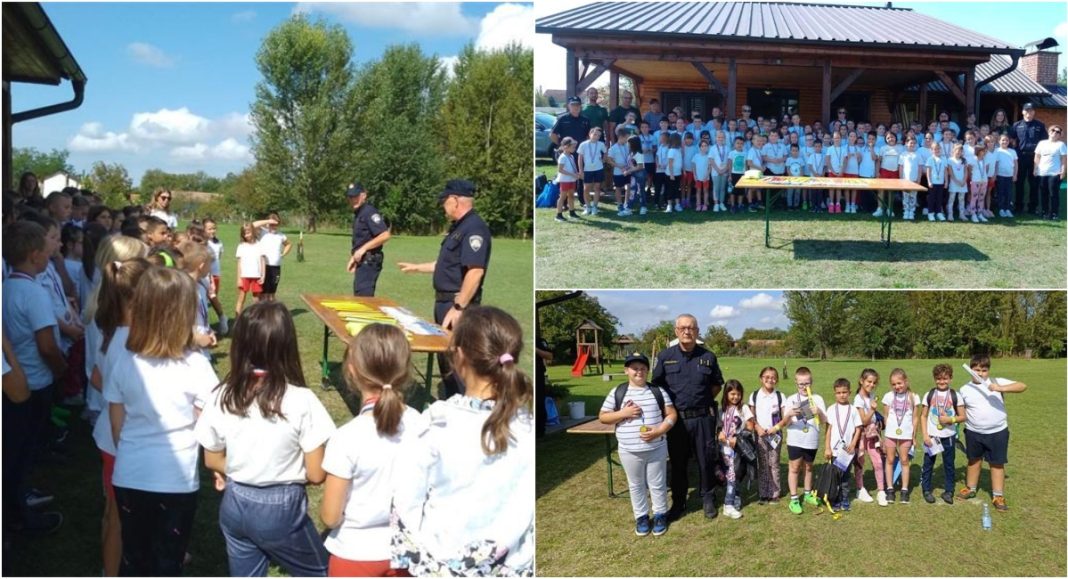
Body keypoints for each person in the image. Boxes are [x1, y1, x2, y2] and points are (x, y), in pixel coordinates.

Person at [391, 306, 533, 576]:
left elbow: (405, 508)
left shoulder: (435, 423)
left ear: (459, 355)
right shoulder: (527, 425)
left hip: (440, 566)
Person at [196, 303, 334, 577]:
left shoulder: (221, 395)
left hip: (234, 503)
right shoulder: (301, 400)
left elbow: (211, 458)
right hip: (281, 508)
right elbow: (317, 473)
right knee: (323, 572)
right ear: (287, 345)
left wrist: (245, 467)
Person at [105, 267, 219, 575]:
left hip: (129, 473)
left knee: (134, 559)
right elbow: (213, 422)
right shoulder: (196, 365)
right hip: (176, 477)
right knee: (167, 562)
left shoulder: (125, 361)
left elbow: (117, 426)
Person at [321, 323, 425, 576]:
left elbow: (330, 516)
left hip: (355, 556)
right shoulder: (424, 426)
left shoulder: (346, 437)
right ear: (405, 371)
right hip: (409, 554)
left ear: (352, 370)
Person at [397, 179, 490, 399]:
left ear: (455, 200)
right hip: (446, 304)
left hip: (457, 306)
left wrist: (458, 306)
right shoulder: (459, 228)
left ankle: (468, 413)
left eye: (444, 201)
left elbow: (475, 271)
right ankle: (453, 405)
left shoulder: (474, 228)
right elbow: (448, 265)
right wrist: (417, 267)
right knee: (447, 362)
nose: (442, 206)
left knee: (459, 365)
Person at [2, 221, 65, 535]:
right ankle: (18, 516)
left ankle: (14, 507)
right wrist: (61, 370)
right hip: (33, 384)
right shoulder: (34, 293)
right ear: (33, 254)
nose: (48, 253)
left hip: (11, 380)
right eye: (44, 248)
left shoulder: (6, 286)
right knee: (21, 455)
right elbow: (46, 345)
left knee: (12, 450)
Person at [90, 257, 152, 576]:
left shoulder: (108, 329)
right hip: (122, 437)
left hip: (110, 433)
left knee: (112, 511)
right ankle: (111, 571)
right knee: (117, 516)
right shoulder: (131, 340)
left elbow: (97, 379)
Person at [650, 314, 724, 521]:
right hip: (677, 421)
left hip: (702, 419)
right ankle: (679, 501)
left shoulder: (708, 357)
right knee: (678, 462)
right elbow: (657, 386)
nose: (687, 331)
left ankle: (708, 498)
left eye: (691, 328)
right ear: (676, 331)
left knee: (706, 460)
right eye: (682, 328)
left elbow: (717, 384)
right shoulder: (665, 357)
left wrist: (702, 400)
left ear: (697, 331)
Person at [599, 352, 676, 536]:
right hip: (629, 450)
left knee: (657, 484)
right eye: (634, 368)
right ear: (627, 370)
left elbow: (672, 414)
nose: (639, 372)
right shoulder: (618, 392)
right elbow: (603, 417)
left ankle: (659, 515)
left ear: (647, 370)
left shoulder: (657, 391)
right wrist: (623, 413)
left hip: (656, 447)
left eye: (642, 368)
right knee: (636, 484)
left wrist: (659, 431)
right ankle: (641, 517)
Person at [958, 355, 1026, 512]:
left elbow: (1022, 386)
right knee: (973, 461)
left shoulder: (997, 381)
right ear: (970, 370)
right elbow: (962, 410)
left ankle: (998, 495)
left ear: (988, 371)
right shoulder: (964, 389)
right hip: (973, 432)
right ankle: (970, 488)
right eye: (976, 370)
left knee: (997, 463)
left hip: (997, 431)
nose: (980, 373)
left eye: (984, 370)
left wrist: (1000, 388)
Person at [775, 367, 827, 515]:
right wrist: (789, 414)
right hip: (795, 440)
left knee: (809, 468)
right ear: (796, 383)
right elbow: (785, 423)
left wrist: (819, 412)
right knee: (794, 468)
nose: (805, 387)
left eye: (807, 383)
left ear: (812, 382)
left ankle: (808, 493)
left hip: (811, 439)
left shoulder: (817, 399)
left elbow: (823, 421)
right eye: (801, 384)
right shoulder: (791, 399)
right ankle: (794, 499)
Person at [919, 364, 965, 505]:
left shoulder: (955, 395)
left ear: (950, 378)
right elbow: (923, 416)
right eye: (938, 379)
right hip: (932, 436)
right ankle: (926, 490)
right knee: (928, 464)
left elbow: (963, 416)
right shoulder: (930, 394)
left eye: (945, 379)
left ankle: (949, 491)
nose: (942, 381)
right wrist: (925, 435)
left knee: (949, 465)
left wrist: (950, 419)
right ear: (934, 379)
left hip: (949, 435)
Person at [880, 368, 920, 505]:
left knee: (904, 460)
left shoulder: (914, 397)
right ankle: (890, 489)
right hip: (891, 433)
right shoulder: (888, 396)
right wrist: (886, 435)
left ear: (906, 381)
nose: (897, 386)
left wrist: (914, 436)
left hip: (906, 434)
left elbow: (915, 418)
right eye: (894, 384)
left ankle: (904, 490)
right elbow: (886, 416)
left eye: (900, 383)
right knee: (890, 459)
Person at [345, 184, 391, 296]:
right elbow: (362, 239)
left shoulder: (369, 212)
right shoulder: (359, 213)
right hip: (362, 261)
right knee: (360, 295)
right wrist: (354, 258)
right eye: (350, 197)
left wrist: (362, 250)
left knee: (364, 299)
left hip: (369, 262)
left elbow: (385, 235)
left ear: (363, 196)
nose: (353, 200)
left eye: (355, 196)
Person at [825, 379, 861, 512]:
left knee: (845, 477)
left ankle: (845, 499)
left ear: (849, 392)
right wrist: (827, 448)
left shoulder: (853, 410)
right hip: (834, 451)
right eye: (838, 392)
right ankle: (835, 499)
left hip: (847, 451)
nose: (842, 395)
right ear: (835, 393)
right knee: (835, 477)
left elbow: (858, 429)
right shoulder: (831, 409)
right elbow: (828, 430)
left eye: (844, 392)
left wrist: (853, 443)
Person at [717, 380, 750, 519]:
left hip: (738, 449)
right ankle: (731, 500)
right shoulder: (721, 410)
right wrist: (720, 434)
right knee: (731, 476)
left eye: (738, 394)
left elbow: (750, 426)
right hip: (724, 450)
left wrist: (738, 437)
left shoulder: (744, 408)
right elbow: (719, 428)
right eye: (732, 394)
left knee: (735, 474)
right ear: (726, 394)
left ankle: (731, 501)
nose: (735, 397)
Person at [852, 369, 884, 505]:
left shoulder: (871, 396)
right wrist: (872, 410)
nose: (871, 385)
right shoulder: (858, 399)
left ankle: (881, 491)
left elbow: (872, 418)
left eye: (874, 383)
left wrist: (879, 420)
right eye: (869, 382)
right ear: (861, 381)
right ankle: (860, 489)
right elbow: (864, 421)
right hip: (861, 435)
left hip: (873, 435)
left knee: (878, 462)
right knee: (860, 462)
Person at [1012, 102, 1047, 215]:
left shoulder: (1040, 125)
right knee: (1019, 183)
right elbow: (1011, 140)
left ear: (1034, 112)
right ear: (1023, 112)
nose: (1029, 113)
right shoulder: (1017, 125)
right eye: (1027, 110)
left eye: (1031, 110)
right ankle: (1018, 206)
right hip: (1021, 157)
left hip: (1035, 158)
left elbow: (1044, 142)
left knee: (1034, 183)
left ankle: (1033, 207)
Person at [252, 214, 292, 302]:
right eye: (272, 224)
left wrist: (283, 254)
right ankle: (261, 313)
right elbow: (253, 225)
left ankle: (271, 313)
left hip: (276, 268)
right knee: (262, 294)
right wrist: (268, 221)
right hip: (264, 267)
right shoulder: (263, 232)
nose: (274, 226)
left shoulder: (281, 236)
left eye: (275, 224)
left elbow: (288, 244)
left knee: (272, 294)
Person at [1033, 123, 1066, 220]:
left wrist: (1063, 171)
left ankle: (1054, 213)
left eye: (1058, 132)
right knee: (1043, 193)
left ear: (1060, 135)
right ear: (1049, 132)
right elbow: (1037, 156)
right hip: (1042, 172)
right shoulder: (1041, 143)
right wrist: (1035, 168)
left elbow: (1064, 159)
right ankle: (1044, 212)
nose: (1055, 133)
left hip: (1054, 173)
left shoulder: (1061, 145)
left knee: (1053, 193)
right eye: (1053, 131)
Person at [202, 218, 228, 334]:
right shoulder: (201, 242)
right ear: (203, 229)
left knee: (212, 298)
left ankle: (222, 318)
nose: (212, 231)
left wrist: (213, 273)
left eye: (214, 228)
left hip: (214, 275)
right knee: (203, 299)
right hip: (203, 275)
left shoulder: (219, 243)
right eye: (209, 229)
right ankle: (205, 325)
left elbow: (218, 258)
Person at [235, 223, 266, 316]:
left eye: (248, 232)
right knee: (241, 298)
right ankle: (237, 319)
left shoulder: (260, 245)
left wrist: (263, 275)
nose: (247, 235)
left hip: (256, 276)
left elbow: (262, 260)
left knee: (256, 299)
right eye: (244, 233)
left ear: (253, 231)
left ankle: (255, 318)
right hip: (244, 276)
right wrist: (239, 279)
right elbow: (239, 263)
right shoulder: (241, 246)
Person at [577, 127, 607, 215]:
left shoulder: (601, 144)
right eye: (594, 134)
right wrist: (581, 170)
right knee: (586, 189)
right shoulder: (583, 144)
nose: (596, 137)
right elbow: (580, 158)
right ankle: (588, 207)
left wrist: (603, 159)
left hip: (598, 169)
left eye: (598, 135)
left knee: (597, 188)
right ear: (590, 134)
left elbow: (605, 152)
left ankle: (595, 206)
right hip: (587, 170)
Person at [607, 128, 633, 216]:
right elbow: (609, 160)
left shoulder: (628, 146)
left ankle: (626, 204)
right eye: (627, 137)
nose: (628, 139)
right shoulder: (613, 148)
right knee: (618, 188)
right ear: (621, 137)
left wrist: (629, 165)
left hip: (628, 170)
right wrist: (618, 166)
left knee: (628, 186)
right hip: (618, 171)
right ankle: (619, 204)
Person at [554, 137, 580, 222]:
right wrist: (572, 174)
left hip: (572, 179)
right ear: (566, 146)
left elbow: (573, 167)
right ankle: (558, 215)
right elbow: (560, 169)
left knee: (571, 196)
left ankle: (572, 212)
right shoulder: (562, 157)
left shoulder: (571, 156)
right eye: (572, 146)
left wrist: (576, 174)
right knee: (562, 197)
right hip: (565, 180)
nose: (574, 148)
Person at [993, 133, 1019, 218]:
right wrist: (995, 174)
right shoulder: (997, 151)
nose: (1005, 142)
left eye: (1006, 140)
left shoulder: (1012, 151)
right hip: (1000, 175)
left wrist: (1015, 175)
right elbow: (996, 163)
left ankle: (1008, 209)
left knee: (1009, 193)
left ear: (1009, 142)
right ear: (999, 141)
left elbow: (1015, 164)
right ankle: (1001, 209)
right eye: (1003, 140)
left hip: (1010, 175)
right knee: (1001, 192)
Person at [967, 145, 991, 223]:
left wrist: (984, 178)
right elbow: (969, 170)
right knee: (974, 197)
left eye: (984, 151)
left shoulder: (985, 159)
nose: (984, 152)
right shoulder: (972, 159)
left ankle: (980, 213)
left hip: (984, 181)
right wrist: (972, 179)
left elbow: (986, 170)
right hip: (975, 181)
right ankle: (973, 213)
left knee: (981, 198)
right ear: (978, 151)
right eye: (983, 150)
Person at [946, 143, 969, 222]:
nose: (959, 152)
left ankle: (961, 214)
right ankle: (950, 214)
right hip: (954, 182)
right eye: (957, 150)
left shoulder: (964, 160)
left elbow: (966, 171)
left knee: (961, 199)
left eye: (960, 151)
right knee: (951, 198)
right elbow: (950, 172)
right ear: (953, 151)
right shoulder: (950, 160)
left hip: (962, 183)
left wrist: (964, 181)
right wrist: (956, 181)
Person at [925, 142, 948, 221]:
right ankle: (930, 213)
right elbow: (928, 172)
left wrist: (946, 182)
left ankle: (938, 212)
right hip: (933, 183)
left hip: (941, 183)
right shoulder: (930, 159)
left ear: (940, 149)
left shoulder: (944, 159)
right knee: (932, 198)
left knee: (939, 198)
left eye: (938, 148)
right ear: (931, 150)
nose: (937, 150)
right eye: (935, 149)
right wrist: (929, 181)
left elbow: (945, 171)